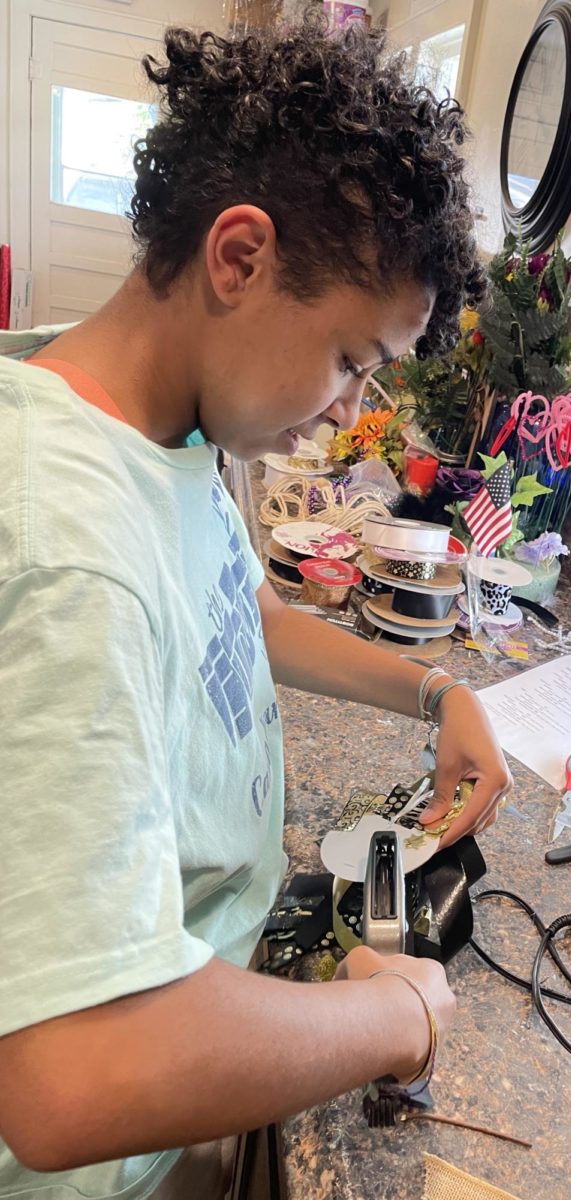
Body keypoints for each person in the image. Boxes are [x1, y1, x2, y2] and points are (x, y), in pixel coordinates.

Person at [0, 17, 511, 1199]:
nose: (350, 413)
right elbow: (71, 1072)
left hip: (197, 987)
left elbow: (233, 614)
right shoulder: (74, 556)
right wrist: (397, 1018)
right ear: (239, 257)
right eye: (349, 358)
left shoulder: (160, 425)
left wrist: (438, 688)